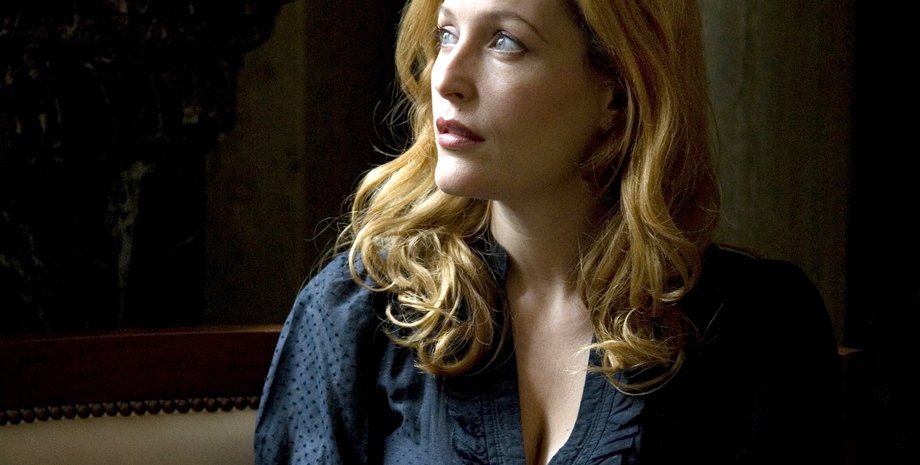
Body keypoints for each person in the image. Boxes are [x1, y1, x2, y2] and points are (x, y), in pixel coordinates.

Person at [254, 0, 843, 464]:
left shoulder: (758, 324)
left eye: (505, 42)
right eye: (446, 34)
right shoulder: (357, 311)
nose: (446, 78)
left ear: (615, 89)